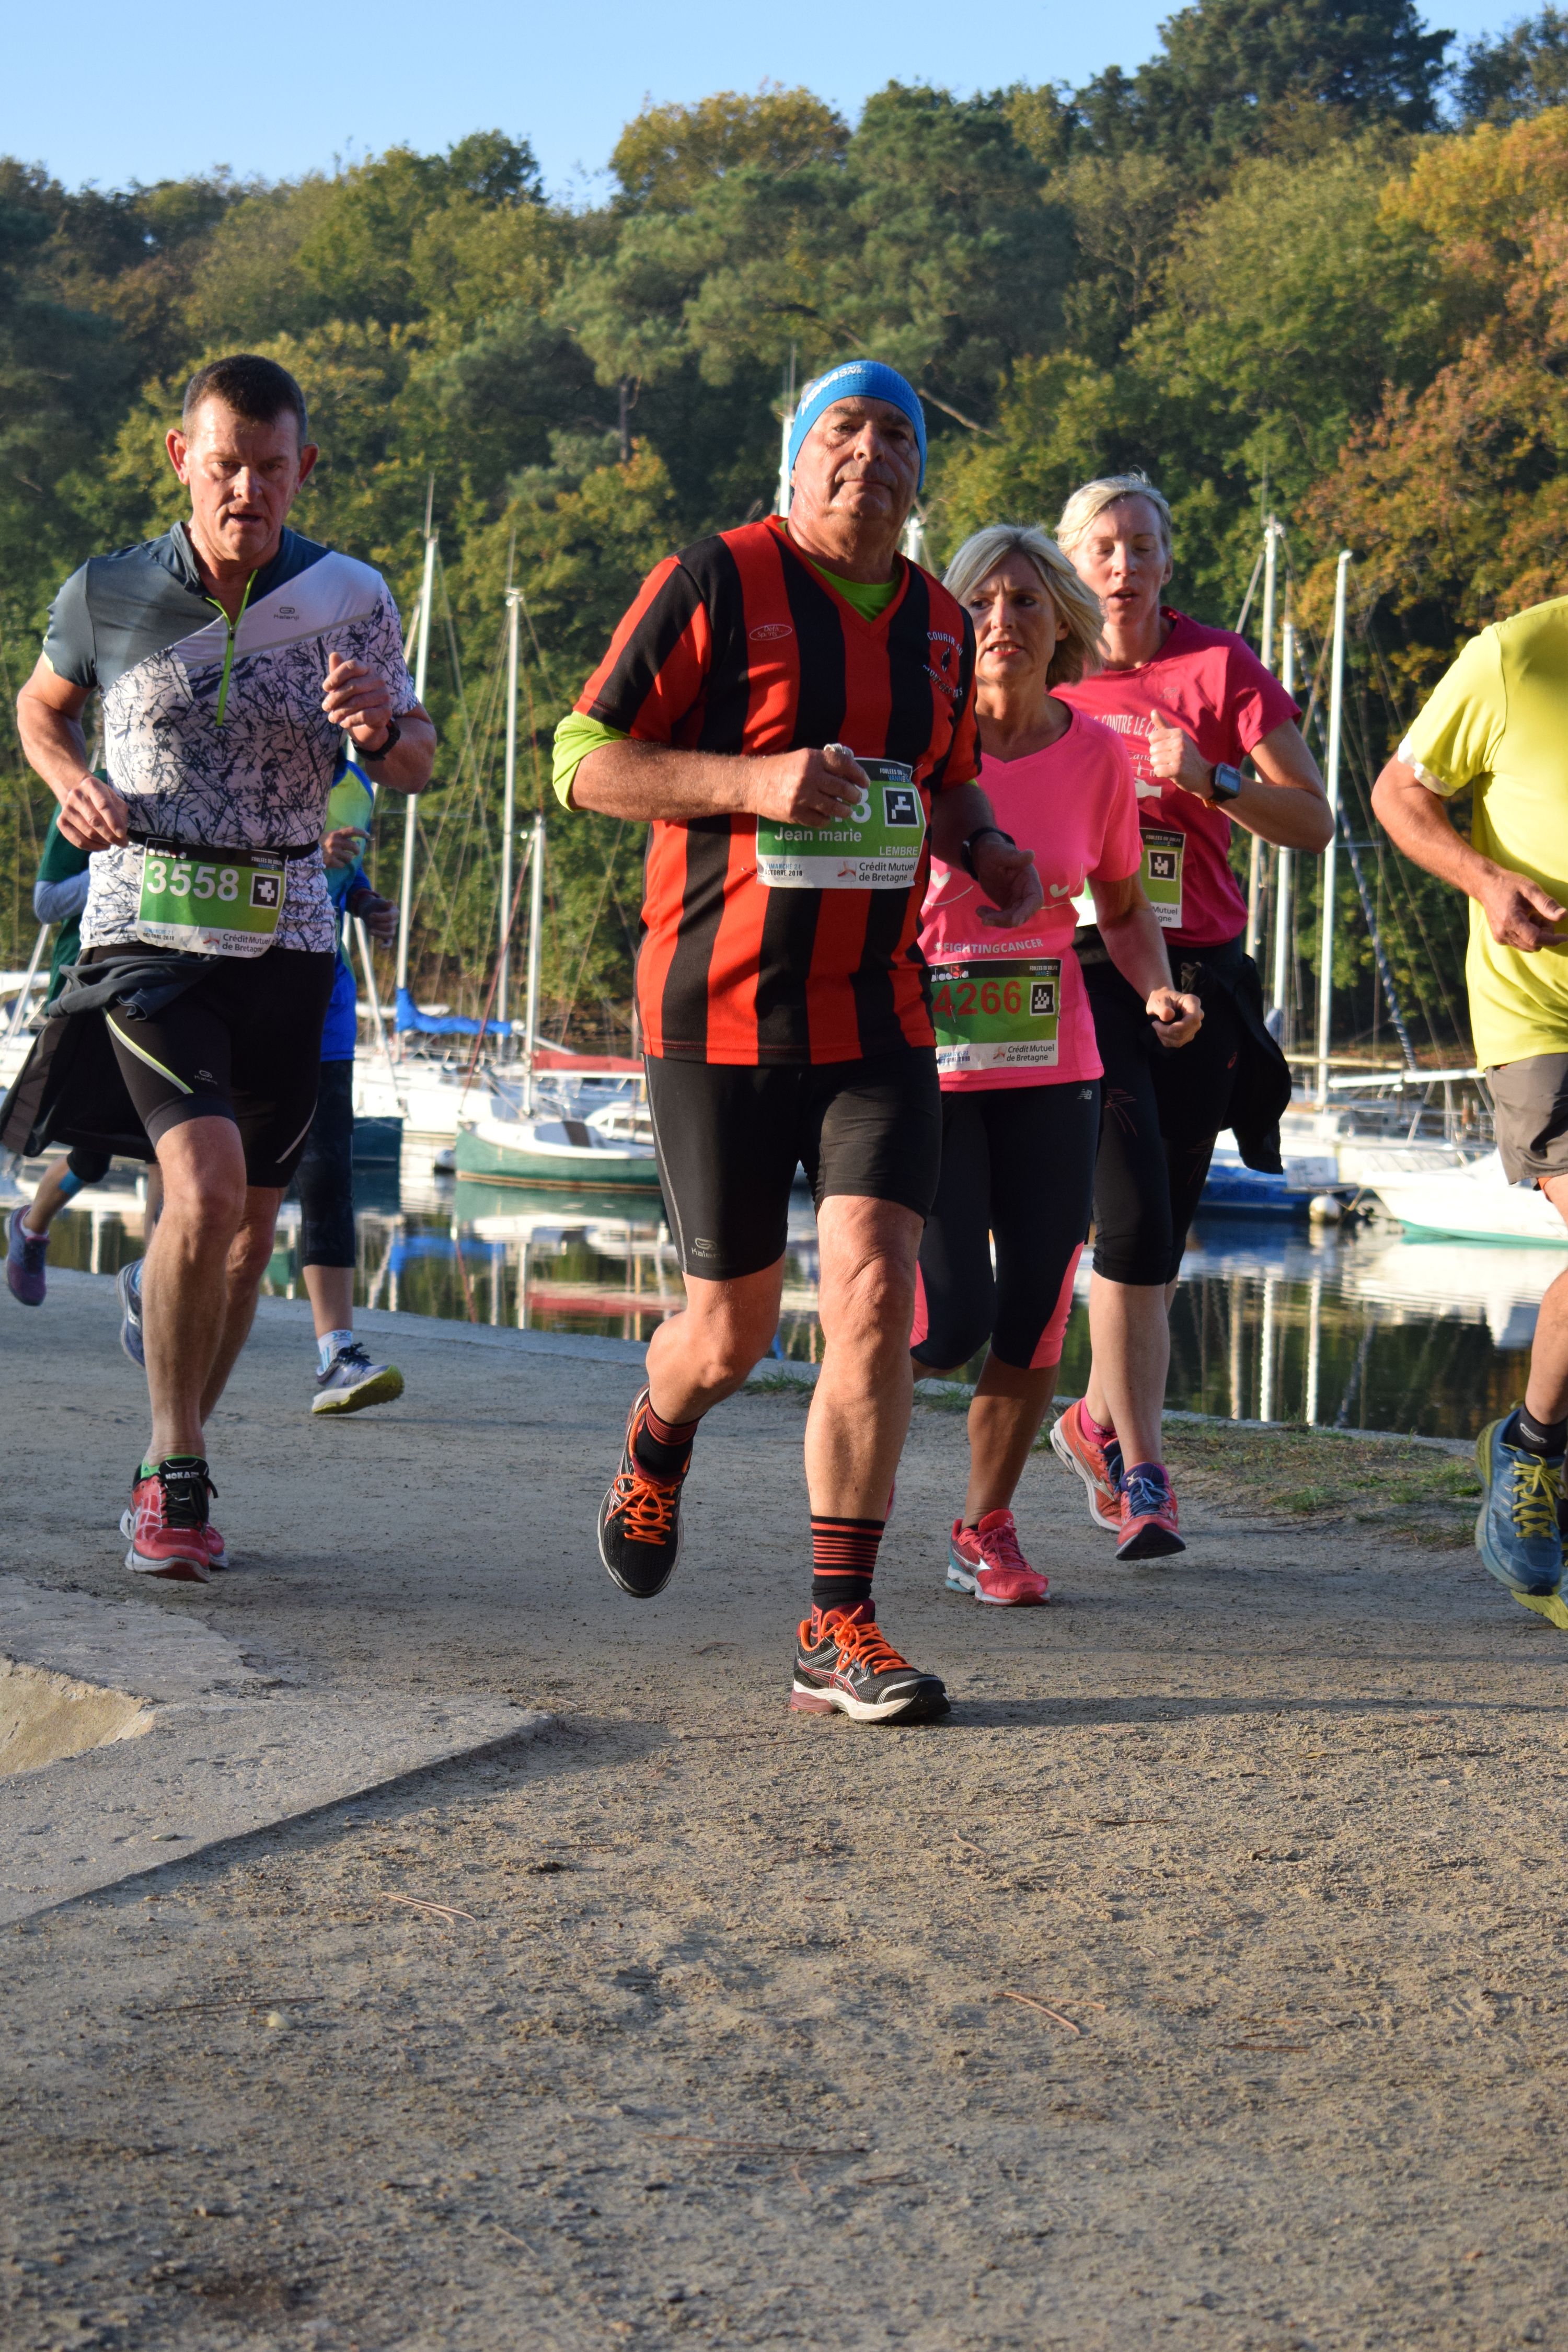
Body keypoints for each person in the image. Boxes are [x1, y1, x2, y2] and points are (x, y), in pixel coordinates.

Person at [555, 358, 1043, 1722]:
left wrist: (988, 851)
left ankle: (839, 1622)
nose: (871, 451)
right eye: (845, 428)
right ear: (797, 457)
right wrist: (753, 780)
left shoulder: (939, 622)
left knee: (878, 1293)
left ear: (921, 475)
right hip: (715, 1014)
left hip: (877, 1019)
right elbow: (582, 758)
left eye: (897, 434)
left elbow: (947, 783)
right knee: (730, 1334)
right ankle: (660, 1432)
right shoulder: (716, 578)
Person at [13, 351, 434, 1582]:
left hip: (286, 934)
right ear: (181, 459)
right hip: (146, 928)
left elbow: (414, 757)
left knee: (250, 1232)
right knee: (201, 1188)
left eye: (270, 466)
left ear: (305, 469)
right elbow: (41, 708)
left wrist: (379, 727)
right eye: (225, 464)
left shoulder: (351, 595)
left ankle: (174, 1439)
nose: (246, 487)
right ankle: (176, 1467)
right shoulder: (109, 589)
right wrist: (72, 781)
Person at [911, 525, 1202, 1599]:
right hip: (928, 1062)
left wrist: (1158, 987)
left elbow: (1121, 910)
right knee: (949, 1319)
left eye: (1027, 602)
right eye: (981, 603)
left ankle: (984, 1526)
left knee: (1037, 1304)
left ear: (1061, 625)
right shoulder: (919, 749)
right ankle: (852, 1436)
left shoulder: (1095, 759)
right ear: (953, 625)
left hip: (1053, 1060)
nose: (1003, 622)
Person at [1047, 473, 1330, 1557]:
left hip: (1202, 974)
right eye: (1102, 548)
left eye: (1140, 546)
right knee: (1128, 1223)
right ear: (1073, 562)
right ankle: (1145, 1472)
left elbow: (1313, 820)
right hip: (1088, 964)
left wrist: (1213, 778)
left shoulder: (1220, 667)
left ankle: (1091, 1421)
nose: (1122, 567)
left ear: (1168, 561)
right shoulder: (1050, 670)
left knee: (1158, 1240)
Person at [1372, 600, 1568, 1604]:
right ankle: (1531, 1457)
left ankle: (1536, 1445)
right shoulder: (1518, 656)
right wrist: (1486, 881)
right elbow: (1400, 792)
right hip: (1540, 1013)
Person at [5, 806, 161, 1306]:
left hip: (165, 987)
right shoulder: (89, 796)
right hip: (89, 988)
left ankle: (155, 1293)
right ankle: (31, 1227)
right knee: (91, 1156)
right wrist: (124, 867)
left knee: (167, 1149)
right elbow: (47, 903)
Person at [297, 766, 406, 1414]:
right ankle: (160, 1280)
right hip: (243, 992)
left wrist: (366, 904)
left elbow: (347, 879)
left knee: (327, 1174)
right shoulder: (253, 756)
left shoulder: (358, 786)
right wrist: (310, 855)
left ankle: (337, 1352)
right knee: (230, 1178)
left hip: (327, 998)